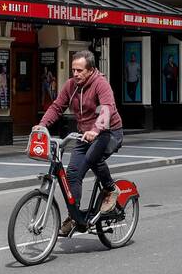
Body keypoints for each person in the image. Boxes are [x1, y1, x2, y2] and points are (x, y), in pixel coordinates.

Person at [37, 50, 123, 237]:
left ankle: (111, 189)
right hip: (85, 135)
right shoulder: (71, 86)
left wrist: (95, 130)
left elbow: (107, 109)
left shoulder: (101, 84)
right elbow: (57, 107)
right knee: (73, 173)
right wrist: (41, 126)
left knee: (93, 158)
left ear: (91, 70)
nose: (75, 74)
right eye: (73, 70)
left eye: (79, 70)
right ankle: (74, 216)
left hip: (109, 132)